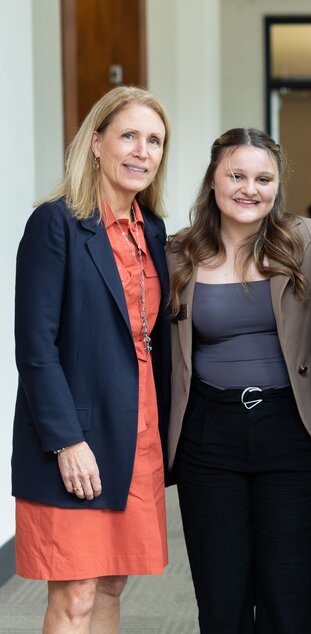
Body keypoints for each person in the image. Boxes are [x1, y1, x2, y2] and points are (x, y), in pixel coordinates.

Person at [12, 85, 172, 632]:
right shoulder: (54, 223)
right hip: (75, 437)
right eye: (129, 135)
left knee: (110, 582)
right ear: (97, 142)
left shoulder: (151, 230)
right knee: (76, 592)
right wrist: (65, 441)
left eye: (154, 141)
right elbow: (35, 347)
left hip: (135, 430)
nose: (141, 151)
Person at [166, 128, 311, 633]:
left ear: (277, 186)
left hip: (293, 432)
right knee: (222, 599)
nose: (249, 188)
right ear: (213, 180)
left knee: (293, 596)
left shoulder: (308, 241)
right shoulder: (177, 253)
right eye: (236, 175)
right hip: (208, 436)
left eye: (263, 178)